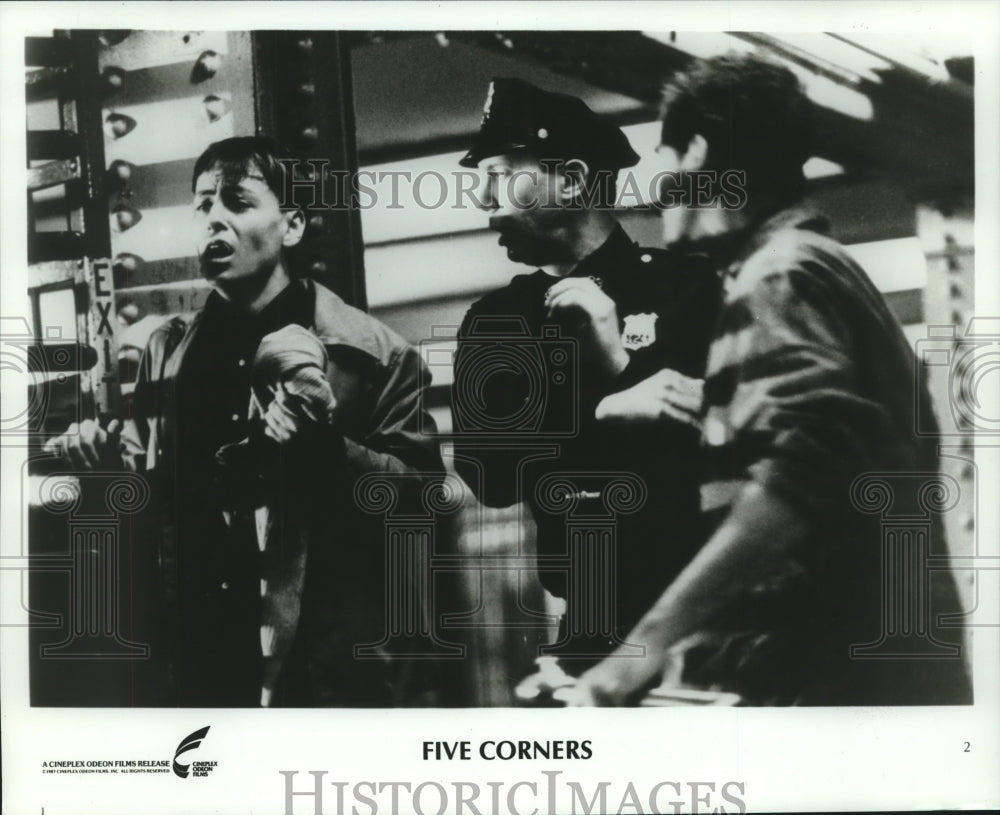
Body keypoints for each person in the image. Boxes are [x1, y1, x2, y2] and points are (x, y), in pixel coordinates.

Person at [562, 53, 972, 706]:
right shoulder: (820, 267)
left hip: (839, 686)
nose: (652, 190)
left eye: (659, 160)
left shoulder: (778, 275)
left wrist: (630, 659)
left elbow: (798, 481)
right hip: (884, 672)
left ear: (694, 155)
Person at [45, 136, 445, 707]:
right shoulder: (169, 351)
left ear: (293, 225)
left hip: (324, 673)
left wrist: (325, 448)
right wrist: (105, 468)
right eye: (203, 205)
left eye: (237, 201)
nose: (214, 220)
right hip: (201, 662)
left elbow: (419, 503)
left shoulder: (377, 355)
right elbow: (151, 499)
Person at [451, 78, 720, 685]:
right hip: (589, 625)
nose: (483, 198)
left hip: (702, 615)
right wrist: (601, 404)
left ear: (570, 182)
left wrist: (618, 363)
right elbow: (489, 474)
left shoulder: (690, 289)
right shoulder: (497, 322)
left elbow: (716, 441)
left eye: (497, 174)